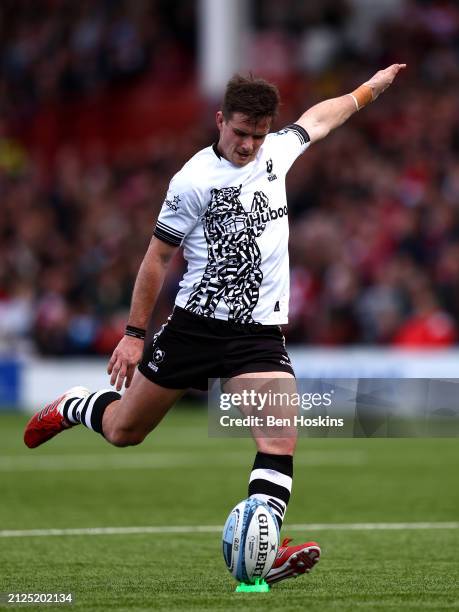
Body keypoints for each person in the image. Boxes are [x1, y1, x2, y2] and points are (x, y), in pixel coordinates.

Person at [24, 64, 406, 585]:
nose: (249, 145)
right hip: (193, 328)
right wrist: (134, 336)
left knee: (279, 440)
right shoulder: (192, 180)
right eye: (241, 133)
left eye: (258, 135)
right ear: (220, 120)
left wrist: (368, 90)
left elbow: (319, 118)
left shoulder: (276, 152)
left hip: (257, 335)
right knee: (123, 432)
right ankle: (77, 404)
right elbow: (157, 259)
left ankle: (261, 554)